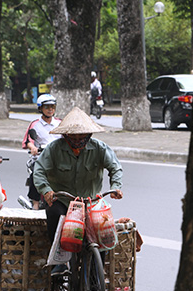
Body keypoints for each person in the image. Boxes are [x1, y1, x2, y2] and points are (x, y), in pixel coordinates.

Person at [33, 106, 123, 276]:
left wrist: (115, 187)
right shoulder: (54, 149)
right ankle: (59, 262)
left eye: (82, 136)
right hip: (63, 201)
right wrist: (46, 190)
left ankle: (96, 285)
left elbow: (115, 168)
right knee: (53, 213)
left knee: (102, 235)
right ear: (66, 135)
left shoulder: (100, 148)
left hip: (91, 202)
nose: (78, 140)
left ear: (89, 135)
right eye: (73, 136)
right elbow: (39, 171)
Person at [21, 94, 62, 209]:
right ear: (40, 109)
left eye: (52, 107)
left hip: (59, 158)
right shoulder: (35, 125)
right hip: (41, 158)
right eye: (47, 107)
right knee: (36, 173)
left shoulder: (60, 123)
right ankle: (35, 203)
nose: (50, 110)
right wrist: (32, 148)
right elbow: (27, 141)